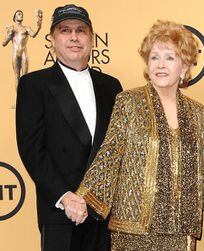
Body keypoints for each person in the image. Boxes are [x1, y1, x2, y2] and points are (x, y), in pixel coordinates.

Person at [74, 20, 204, 251]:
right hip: (134, 230)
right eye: (154, 57)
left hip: (180, 231)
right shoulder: (129, 102)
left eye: (169, 58)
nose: (160, 65)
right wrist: (82, 198)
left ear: (184, 67)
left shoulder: (197, 113)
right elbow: (110, 155)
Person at [15, 4, 123, 251]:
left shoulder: (111, 87)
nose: (74, 37)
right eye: (65, 30)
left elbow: (118, 150)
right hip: (60, 212)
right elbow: (32, 149)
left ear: (92, 39)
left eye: (81, 30)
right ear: (52, 39)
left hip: (103, 213)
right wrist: (64, 196)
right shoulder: (34, 84)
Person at [2, 9, 42, 89]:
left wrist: (39, 25)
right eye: (19, 14)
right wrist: (9, 35)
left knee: (25, 77)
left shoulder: (26, 28)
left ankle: (24, 98)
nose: (21, 15)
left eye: (21, 14)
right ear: (15, 17)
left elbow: (33, 34)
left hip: (24, 53)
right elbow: (3, 43)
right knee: (17, 77)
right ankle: (18, 99)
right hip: (15, 54)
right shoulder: (12, 28)